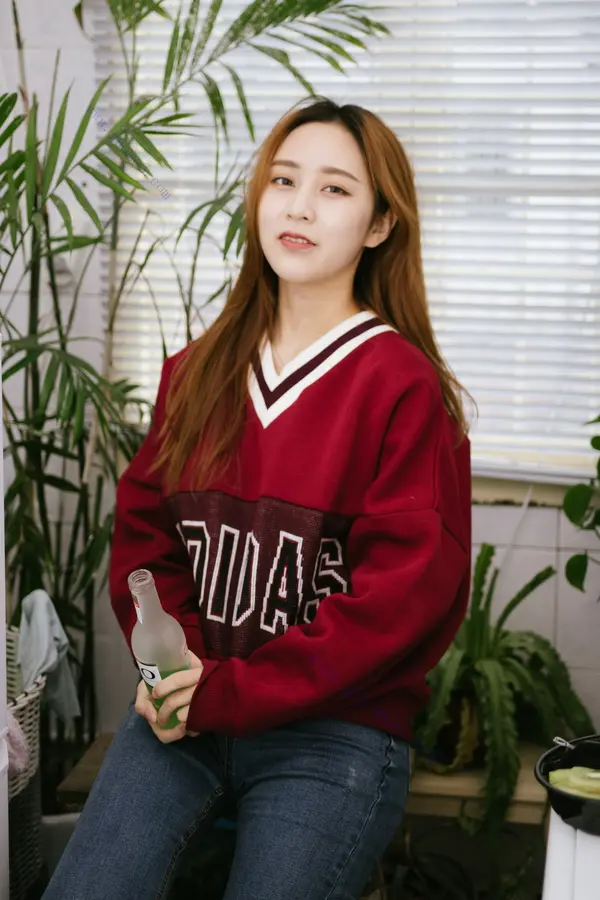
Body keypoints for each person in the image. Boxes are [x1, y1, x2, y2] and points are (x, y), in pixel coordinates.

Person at [42, 97, 472, 900]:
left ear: (380, 224)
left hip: (334, 731)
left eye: (335, 188)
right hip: (190, 710)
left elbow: (401, 600)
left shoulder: (402, 388)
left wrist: (231, 692)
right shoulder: (196, 370)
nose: (300, 206)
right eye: (283, 179)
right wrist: (172, 672)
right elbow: (146, 544)